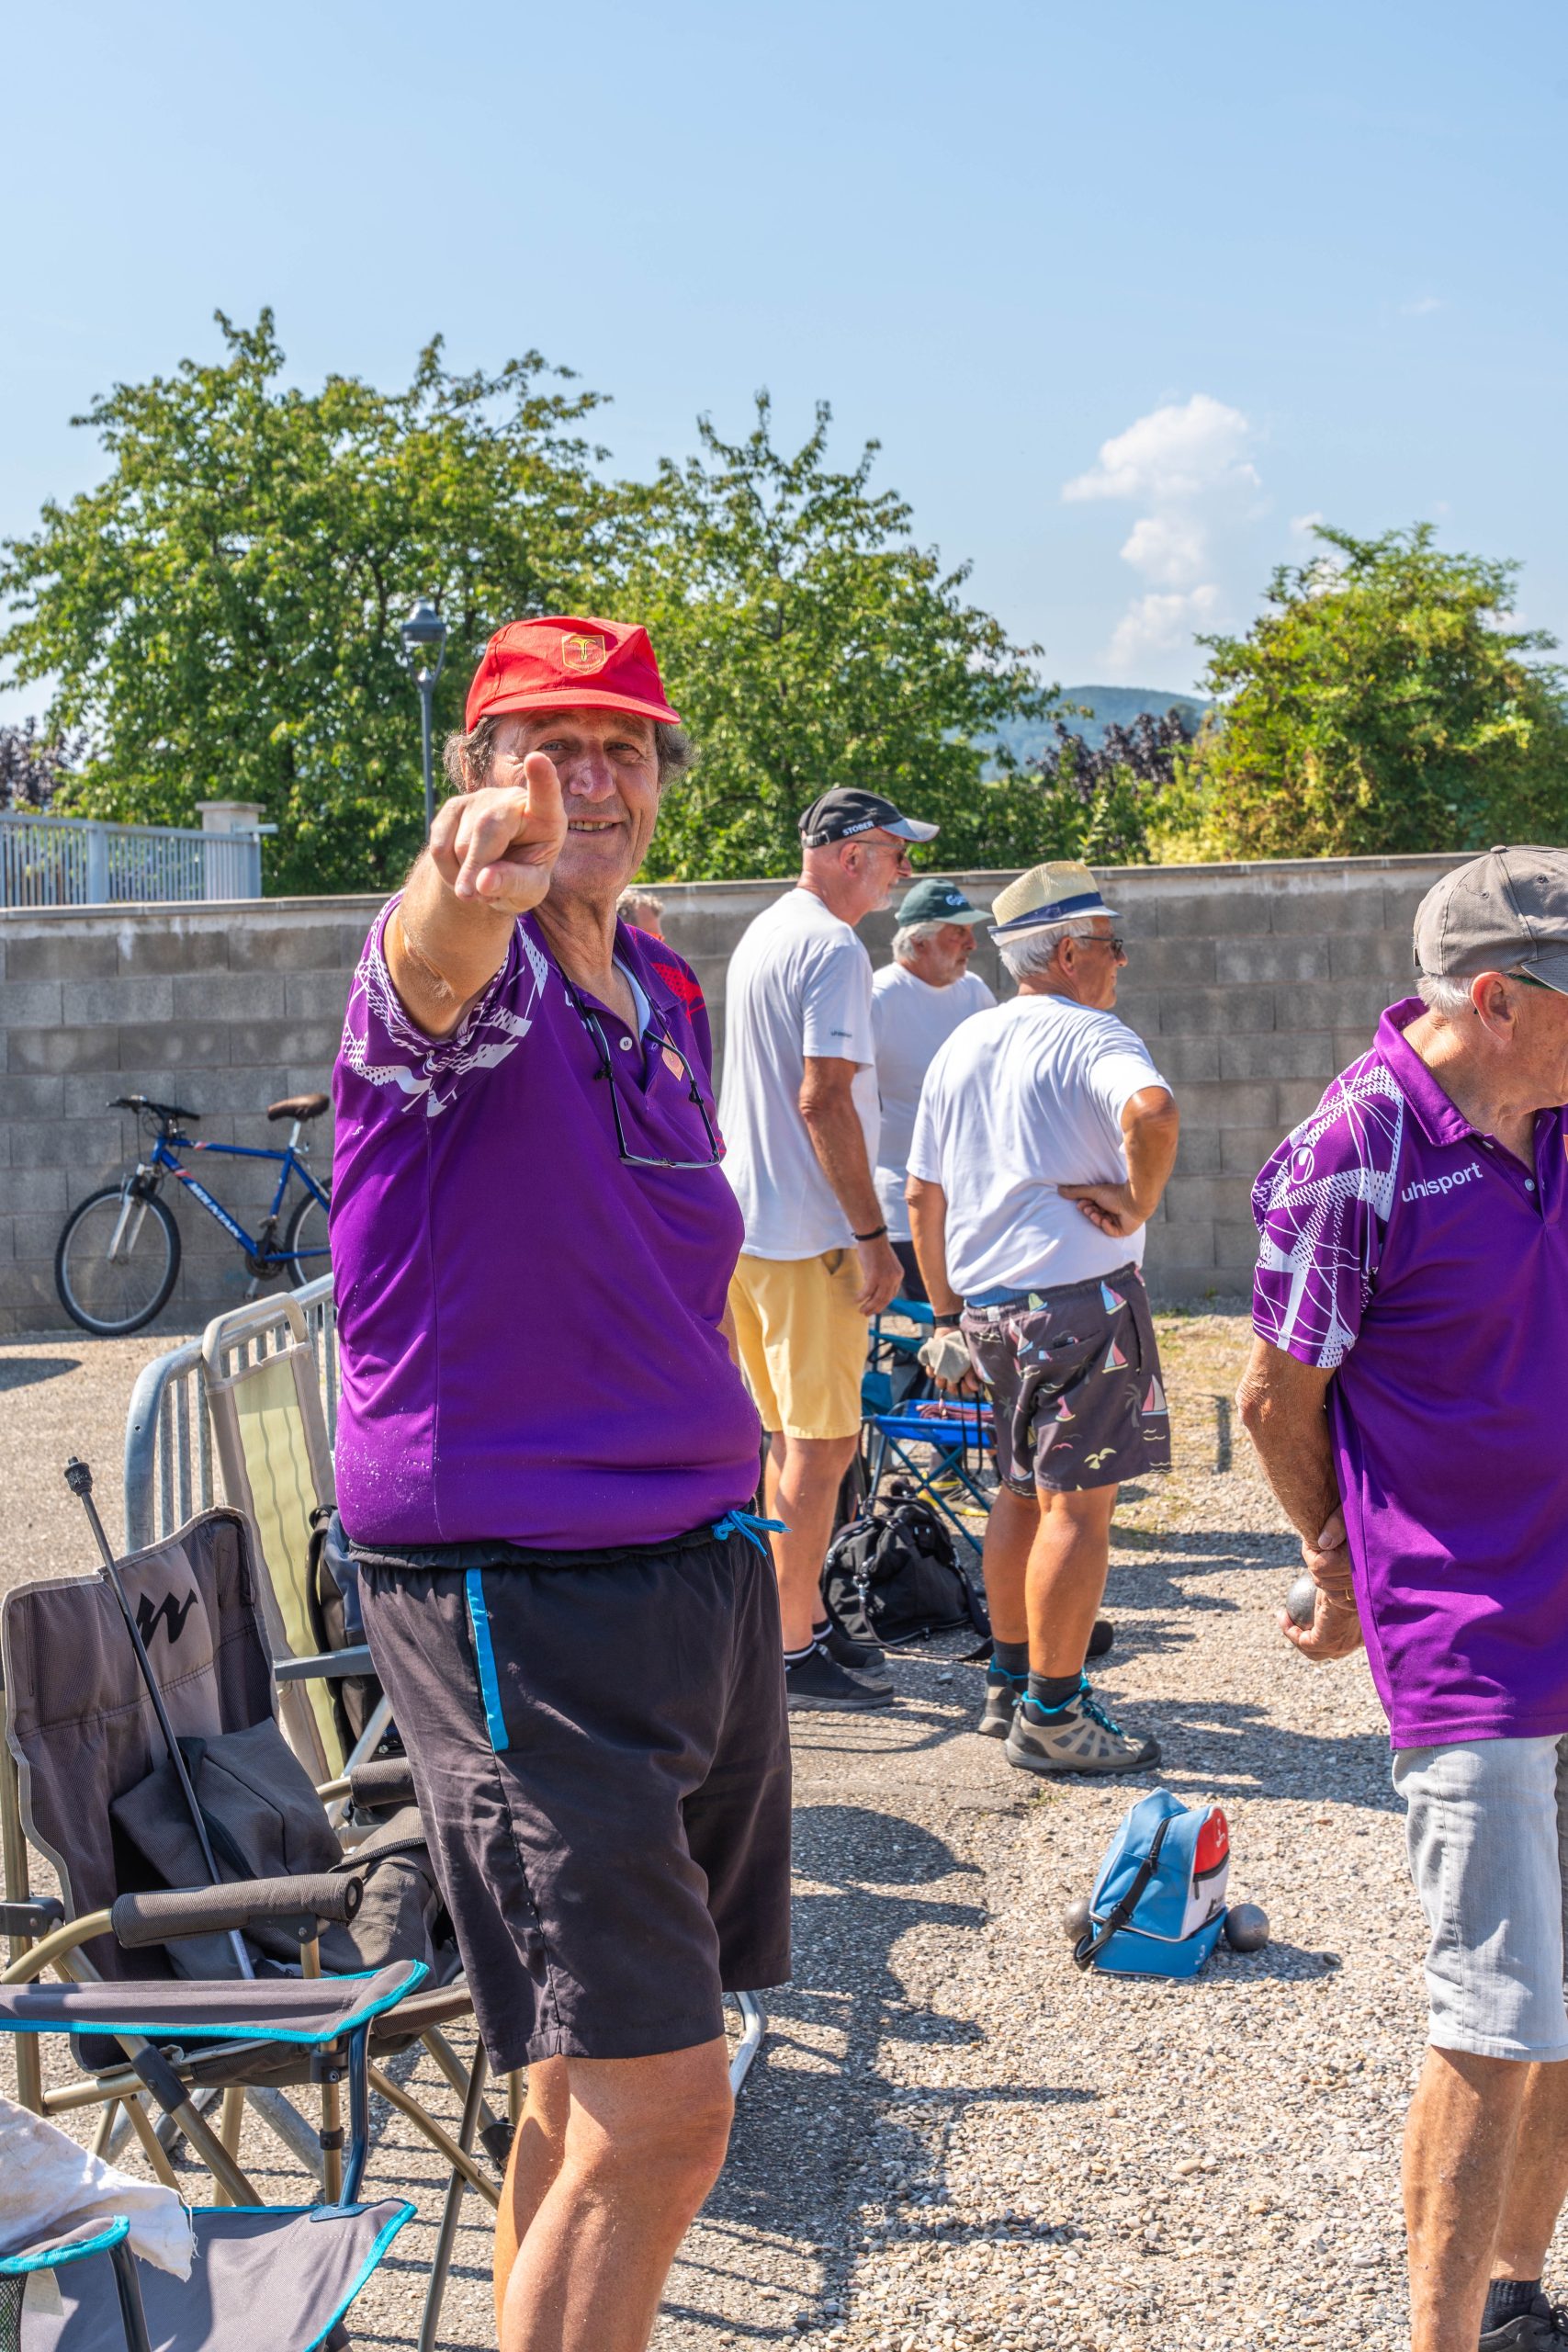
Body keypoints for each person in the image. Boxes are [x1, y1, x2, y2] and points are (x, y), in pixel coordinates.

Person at [330, 615, 790, 2352]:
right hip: (523, 1592)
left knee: (580, 2093)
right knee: (672, 2114)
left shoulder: (657, 985)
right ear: (476, 774)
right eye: (546, 745)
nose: (587, 781)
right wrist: (474, 882)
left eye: (624, 750)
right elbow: (432, 943)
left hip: (693, 1565)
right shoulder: (461, 973)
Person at [1238, 847, 1568, 2352]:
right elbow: (1273, 1401)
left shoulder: (1553, 1112)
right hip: (1467, 1638)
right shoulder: (1353, 1152)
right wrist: (1334, 1564)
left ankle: (1516, 2295)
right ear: (1497, 1000)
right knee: (1496, 2020)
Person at [905, 859, 1179, 1775]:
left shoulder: (964, 1045)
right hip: (1082, 1307)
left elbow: (921, 1197)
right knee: (1078, 1510)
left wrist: (944, 1311)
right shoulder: (1095, 1036)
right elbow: (1156, 1112)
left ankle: (1009, 1680)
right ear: (1066, 952)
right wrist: (1138, 1203)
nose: (1121, 963)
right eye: (1110, 945)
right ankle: (1054, 1713)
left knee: (1020, 1495)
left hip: (990, 1313)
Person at [719, 786, 938, 1713]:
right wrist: (870, 1236)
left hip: (752, 1227)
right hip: (808, 1233)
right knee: (824, 1439)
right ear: (852, 854)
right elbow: (823, 1098)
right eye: (897, 851)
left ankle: (792, 1613)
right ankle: (791, 1643)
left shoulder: (770, 928)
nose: (907, 869)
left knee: (788, 1436)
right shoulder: (833, 946)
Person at [871, 877, 996, 1302]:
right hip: (902, 1205)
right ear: (919, 942)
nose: (971, 944)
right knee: (937, 1326)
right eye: (957, 933)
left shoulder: (975, 993)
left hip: (972, 1201)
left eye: (970, 932)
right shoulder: (879, 998)